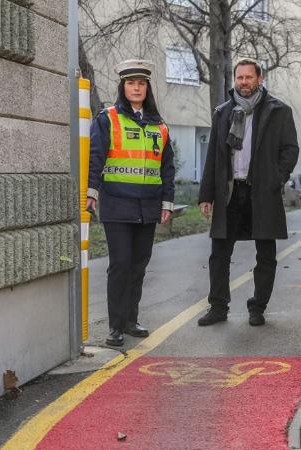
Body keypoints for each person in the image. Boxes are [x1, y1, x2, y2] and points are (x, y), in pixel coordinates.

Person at [197, 58, 299, 327]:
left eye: (249, 77)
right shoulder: (223, 112)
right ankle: (218, 307)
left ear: (260, 78)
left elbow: (290, 150)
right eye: (239, 78)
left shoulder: (279, 111)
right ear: (235, 80)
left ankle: (258, 307)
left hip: (262, 193)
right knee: (219, 253)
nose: (244, 82)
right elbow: (213, 158)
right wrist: (206, 195)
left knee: (265, 253)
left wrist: (275, 179)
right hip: (230, 193)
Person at [86, 59, 176, 346]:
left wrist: (167, 203)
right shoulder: (108, 118)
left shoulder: (159, 126)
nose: (136, 88)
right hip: (117, 205)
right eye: (130, 83)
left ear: (147, 88)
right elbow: (96, 156)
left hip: (148, 206)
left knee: (138, 266)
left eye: (141, 83)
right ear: (122, 87)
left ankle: (130, 320)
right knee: (121, 264)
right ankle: (115, 326)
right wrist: (91, 191)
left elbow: (167, 167)